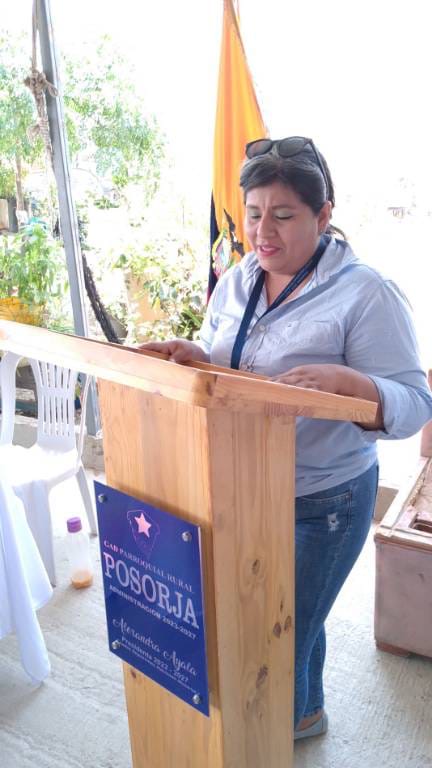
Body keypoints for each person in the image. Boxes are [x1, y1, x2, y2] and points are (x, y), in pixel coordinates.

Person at [140, 136, 432, 740]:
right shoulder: (237, 279)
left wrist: (359, 387)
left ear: (323, 216)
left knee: (280, 633)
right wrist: (198, 354)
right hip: (248, 483)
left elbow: (415, 404)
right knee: (291, 614)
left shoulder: (365, 293)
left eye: (282, 215)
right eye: (252, 213)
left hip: (325, 500)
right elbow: (227, 354)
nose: (262, 232)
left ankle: (276, 735)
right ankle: (306, 714)